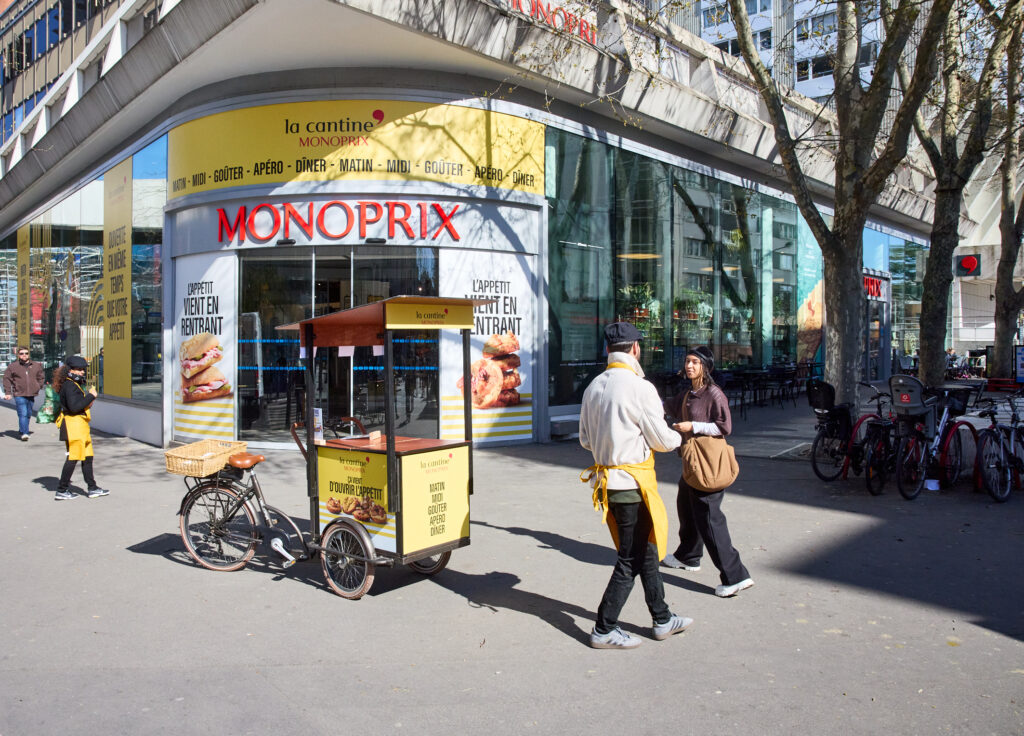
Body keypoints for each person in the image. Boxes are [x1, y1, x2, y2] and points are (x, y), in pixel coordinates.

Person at [579, 322, 692, 649]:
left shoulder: (594, 386)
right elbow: (661, 440)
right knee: (631, 556)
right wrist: (678, 436)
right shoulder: (640, 387)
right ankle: (604, 628)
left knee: (645, 551)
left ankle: (662, 617)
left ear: (607, 350)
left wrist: (610, 446)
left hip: (606, 481)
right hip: (633, 482)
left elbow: (586, 440)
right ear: (635, 349)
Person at [661, 346, 754, 598]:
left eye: (695, 362)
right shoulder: (688, 393)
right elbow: (664, 406)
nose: (689, 366)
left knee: (710, 518)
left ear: (706, 367)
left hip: (708, 463)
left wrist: (693, 425)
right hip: (693, 463)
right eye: (687, 361)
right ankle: (688, 556)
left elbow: (725, 427)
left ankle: (736, 576)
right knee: (686, 503)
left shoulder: (714, 394)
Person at [53, 355, 108, 501]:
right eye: (79, 370)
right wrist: (91, 396)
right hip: (73, 426)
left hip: (80, 425)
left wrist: (89, 400)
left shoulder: (72, 384)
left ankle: (92, 488)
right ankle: (62, 489)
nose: (82, 372)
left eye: (83, 369)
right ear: (70, 370)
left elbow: (78, 405)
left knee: (87, 457)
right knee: (74, 457)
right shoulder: (69, 385)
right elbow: (74, 406)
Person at [3, 345, 45, 441]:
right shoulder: (13, 366)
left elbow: (41, 377)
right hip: (19, 394)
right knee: (23, 413)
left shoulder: (36, 365)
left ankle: (22, 429)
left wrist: (38, 386)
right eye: (22, 354)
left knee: (29, 413)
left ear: (29, 354)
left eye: (26, 353)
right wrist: (8, 392)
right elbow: (6, 379)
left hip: (32, 394)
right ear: (18, 355)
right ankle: (25, 433)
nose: (24, 355)